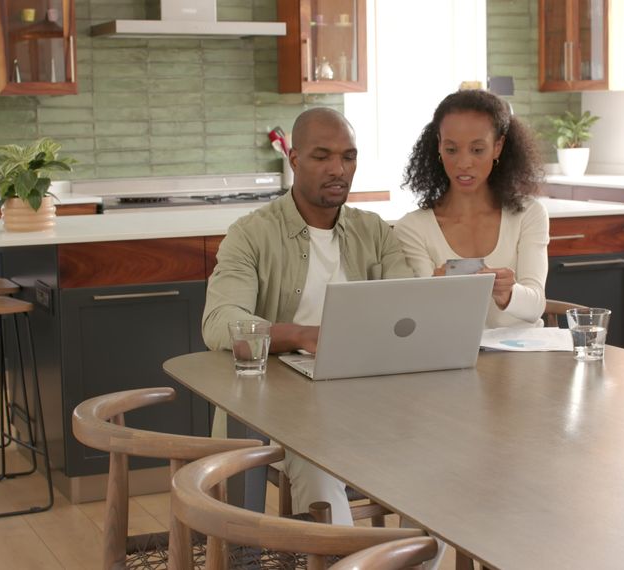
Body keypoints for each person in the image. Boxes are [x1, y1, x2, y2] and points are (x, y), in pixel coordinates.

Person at [202, 107, 414, 526]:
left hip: (367, 400)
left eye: (349, 156)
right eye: (322, 156)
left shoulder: (375, 231)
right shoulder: (251, 233)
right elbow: (219, 320)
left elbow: (409, 307)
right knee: (317, 462)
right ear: (294, 159)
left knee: (441, 458)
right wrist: (301, 335)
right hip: (281, 410)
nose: (339, 169)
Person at [395, 89, 549, 328]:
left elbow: (536, 306)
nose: (463, 163)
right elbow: (420, 321)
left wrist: (509, 293)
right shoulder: (413, 228)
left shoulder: (529, 214)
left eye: (477, 150)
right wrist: (434, 290)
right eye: (451, 149)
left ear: (498, 147)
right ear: (438, 146)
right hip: (450, 358)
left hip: (524, 356)